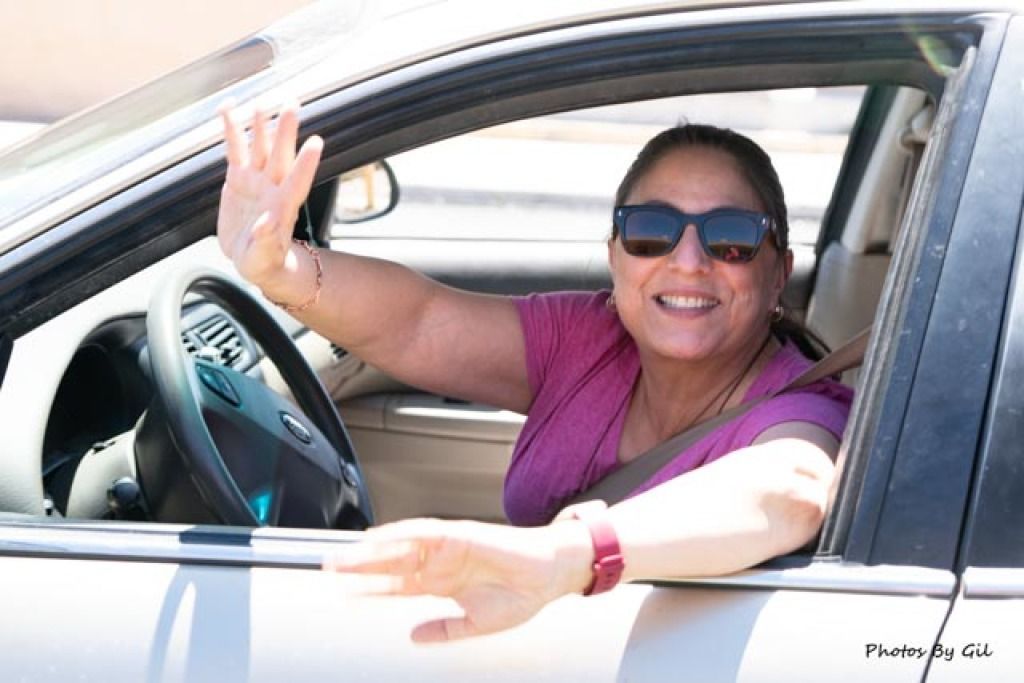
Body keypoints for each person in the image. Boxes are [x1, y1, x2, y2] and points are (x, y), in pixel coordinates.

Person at [217, 102, 853, 643]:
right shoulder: (586, 339)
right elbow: (418, 322)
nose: (688, 261)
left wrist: (561, 555)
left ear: (777, 272)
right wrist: (278, 268)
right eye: (651, 232)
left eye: (732, 238)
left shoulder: (803, 411)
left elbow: (788, 493)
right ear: (614, 257)